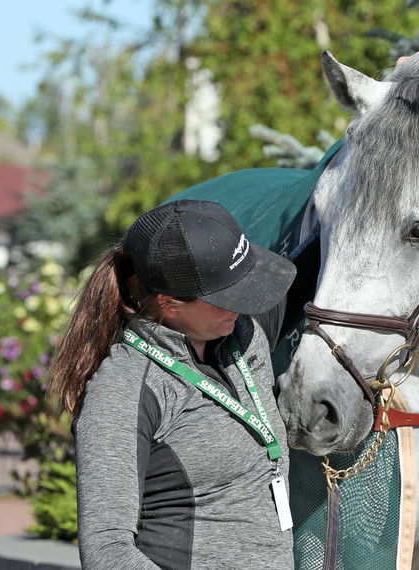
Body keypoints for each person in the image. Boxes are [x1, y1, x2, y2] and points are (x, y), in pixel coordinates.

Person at [47, 199, 297, 569]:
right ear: (169, 303)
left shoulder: (243, 332)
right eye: (227, 296)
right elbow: (107, 552)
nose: (244, 303)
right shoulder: (124, 390)